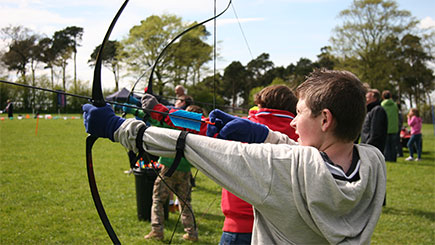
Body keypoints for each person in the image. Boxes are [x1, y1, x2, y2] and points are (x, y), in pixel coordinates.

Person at [83, 69, 386, 244]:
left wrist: (119, 128)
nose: (292, 123)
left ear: (325, 120)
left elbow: (192, 146)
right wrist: (263, 135)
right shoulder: (372, 164)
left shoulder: (283, 168)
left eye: (299, 114)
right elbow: (314, 158)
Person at [220, 85, 299, 245]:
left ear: (261, 105)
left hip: (239, 226)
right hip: (284, 229)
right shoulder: (302, 134)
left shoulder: (240, 127)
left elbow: (202, 128)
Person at [381, 90, 399, 162]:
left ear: (383, 97)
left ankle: (387, 158)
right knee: (394, 145)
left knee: (386, 145)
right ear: (390, 96)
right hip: (394, 128)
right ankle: (394, 158)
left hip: (385, 127)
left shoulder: (382, 105)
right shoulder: (395, 105)